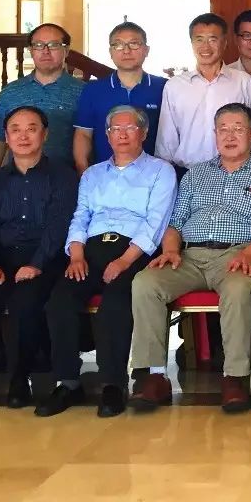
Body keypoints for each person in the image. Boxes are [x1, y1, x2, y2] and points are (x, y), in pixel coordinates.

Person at [128, 102, 251, 415]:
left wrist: (249, 253)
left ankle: (234, 378)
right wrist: (171, 251)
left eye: (238, 129)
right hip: (189, 255)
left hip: (239, 254)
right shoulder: (196, 174)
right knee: (145, 282)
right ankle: (154, 375)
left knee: (237, 289)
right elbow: (175, 222)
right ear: (214, 134)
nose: (230, 136)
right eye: (223, 129)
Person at [35, 105, 176, 418]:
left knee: (115, 303)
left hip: (135, 251)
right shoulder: (93, 174)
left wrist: (125, 261)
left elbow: (156, 222)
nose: (122, 135)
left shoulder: (160, 171)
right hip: (90, 249)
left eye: (130, 128)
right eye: (115, 129)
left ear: (144, 133)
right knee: (60, 301)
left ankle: (113, 383)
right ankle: (67, 381)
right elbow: (80, 215)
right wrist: (76, 254)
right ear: (107, 136)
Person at [0, 106, 78, 411]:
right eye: (15, 129)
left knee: (26, 302)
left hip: (46, 259)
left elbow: (59, 226)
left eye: (31, 129)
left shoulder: (63, 177)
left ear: (45, 134)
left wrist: (36, 263)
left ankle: (20, 378)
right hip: (1, 259)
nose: (23, 136)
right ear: (7, 137)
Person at [155, 13, 251, 172]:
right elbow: (166, 140)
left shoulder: (244, 82)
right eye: (199, 39)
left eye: (212, 40)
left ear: (224, 43)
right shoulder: (175, 86)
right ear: (191, 43)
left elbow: (250, 131)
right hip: (187, 172)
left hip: (235, 170)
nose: (205, 47)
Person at [0, 23, 85, 171]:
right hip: (19, 179)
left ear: (66, 50)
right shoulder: (10, 92)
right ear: (31, 50)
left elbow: (89, 140)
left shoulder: (84, 92)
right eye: (39, 45)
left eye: (53, 45)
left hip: (67, 178)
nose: (45, 51)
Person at [73, 22, 166, 173]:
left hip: (154, 176)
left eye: (134, 44)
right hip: (104, 176)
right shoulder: (93, 90)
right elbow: (83, 135)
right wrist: (84, 174)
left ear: (146, 50)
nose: (126, 51)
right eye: (118, 45)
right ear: (110, 52)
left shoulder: (164, 87)